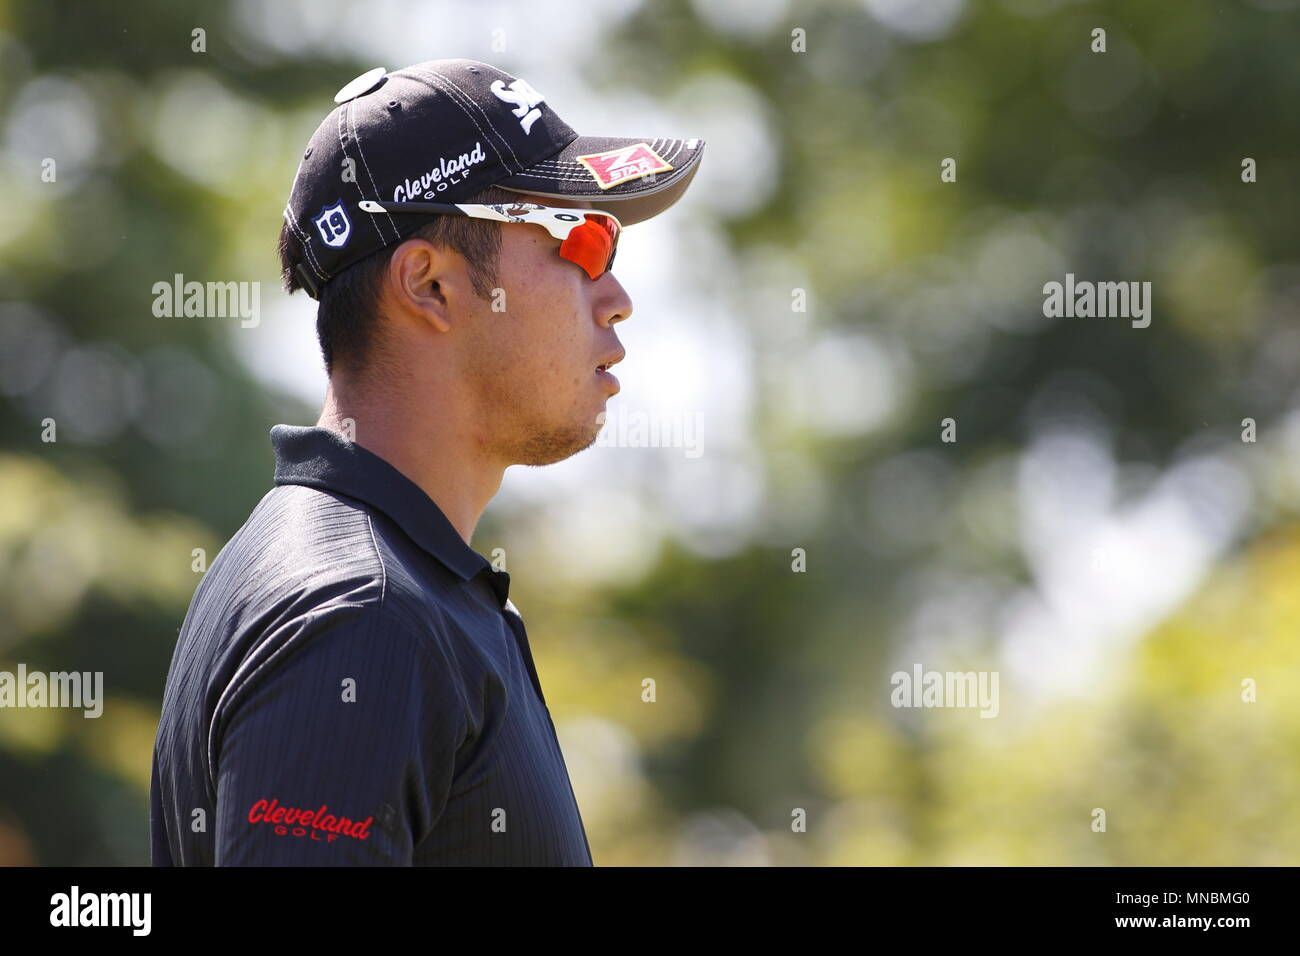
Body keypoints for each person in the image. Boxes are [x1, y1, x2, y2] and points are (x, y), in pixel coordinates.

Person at [149, 58, 705, 865]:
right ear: (430, 285)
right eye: (581, 237)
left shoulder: (390, 591)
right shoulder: (359, 616)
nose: (616, 292)